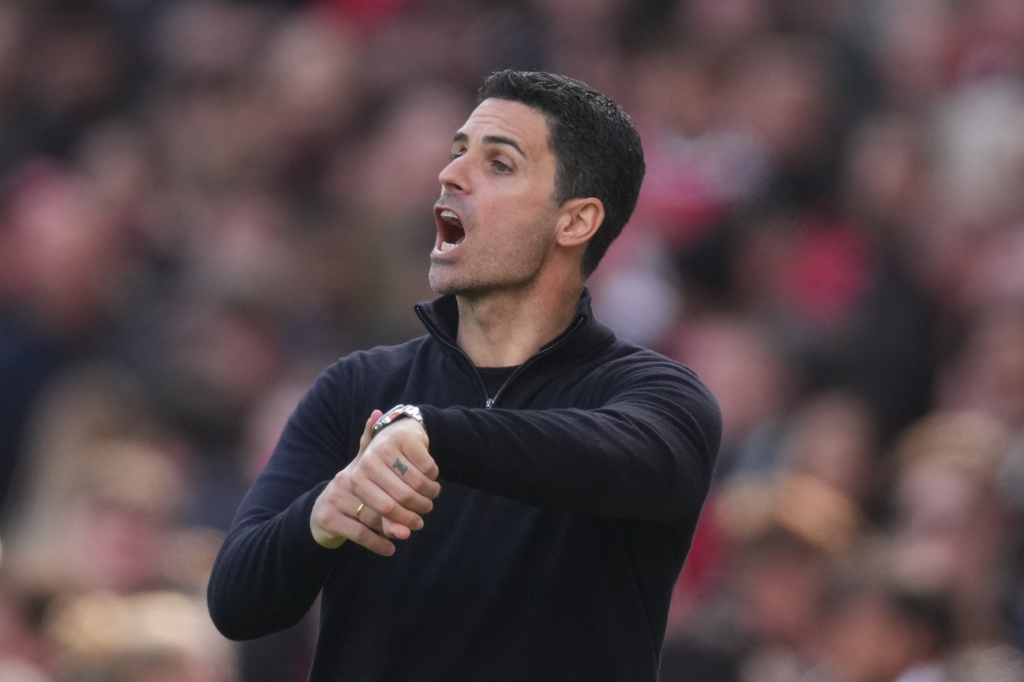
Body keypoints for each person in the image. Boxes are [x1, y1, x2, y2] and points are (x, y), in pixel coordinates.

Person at [207, 69, 722, 681]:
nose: (451, 175)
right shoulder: (357, 388)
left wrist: (432, 434)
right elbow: (236, 601)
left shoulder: (657, 395)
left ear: (576, 221)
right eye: (457, 153)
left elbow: (633, 461)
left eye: (499, 164)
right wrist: (321, 515)